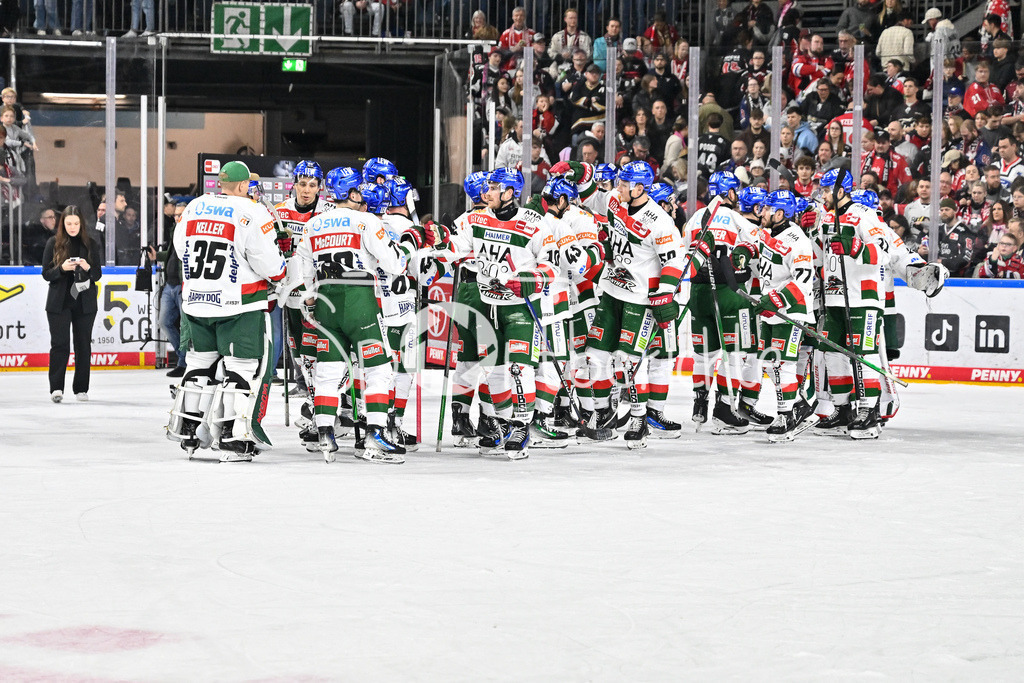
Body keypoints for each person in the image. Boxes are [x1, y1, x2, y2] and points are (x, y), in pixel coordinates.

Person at [166, 160, 287, 461]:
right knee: (241, 369)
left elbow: (180, 248)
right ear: (244, 185)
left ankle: (189, 430)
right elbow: (270, 264)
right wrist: (282, 272)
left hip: (196, 302)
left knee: (198, 365)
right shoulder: (252, 211)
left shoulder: (195, 206)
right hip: (239, 304)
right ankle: (233, 437)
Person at [41, 206, 102, 402]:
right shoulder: (53, 243)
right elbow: (46, 273)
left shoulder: (90, 244)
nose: (73, 227)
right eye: (69, 223)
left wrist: (87, 266)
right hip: (59, 302)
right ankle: (56, 388)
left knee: (83, 345)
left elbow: (97, 275)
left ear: (81, 224)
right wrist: (62, 268)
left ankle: (81, 388)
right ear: (63, 224)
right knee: (60, 345)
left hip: (84, 303)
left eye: (76, 223)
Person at [149, 201, 187, 377]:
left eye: (180, 215)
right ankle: (183, 358)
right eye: (175, 215)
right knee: (164, 322)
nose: (177, 218)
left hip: (182, 285)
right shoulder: (176, 230)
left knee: (185, 325)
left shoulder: (191, 232)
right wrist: (157, 256)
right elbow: (172, 254)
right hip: (170, 284)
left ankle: (184, 362)